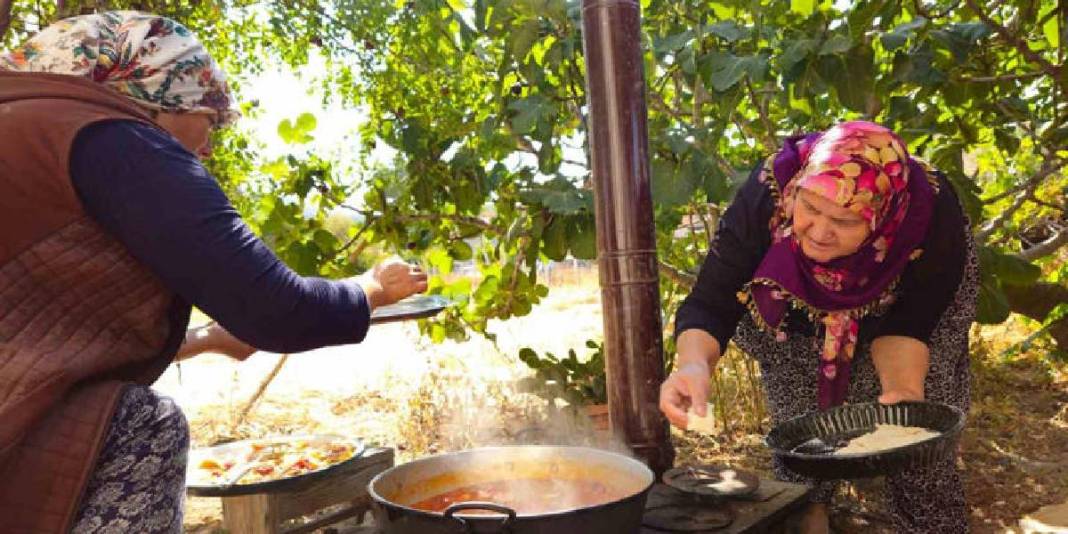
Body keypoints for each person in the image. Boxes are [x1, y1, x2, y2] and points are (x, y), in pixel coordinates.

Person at [0, 11, 427, 533]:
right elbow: (277, 309)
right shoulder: (107, 134)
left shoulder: (23, 128)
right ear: (159, 90)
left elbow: (40, 338)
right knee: (147, 425)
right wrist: (373, 289)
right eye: (209, 117)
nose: (207, 147)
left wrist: (205, 340)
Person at [659, 121, 978, 533]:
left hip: (901, 309)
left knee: (916, 447)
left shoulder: (929, 219)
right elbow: (711, 302)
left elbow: (910, 325)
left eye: (845, 221)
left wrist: (904, 394)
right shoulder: (765, 197)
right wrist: (693, 367)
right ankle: (808, 514)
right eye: (810, 207)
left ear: (881, 219)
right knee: (804, 436)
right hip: (793, 316)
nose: (820, 232)